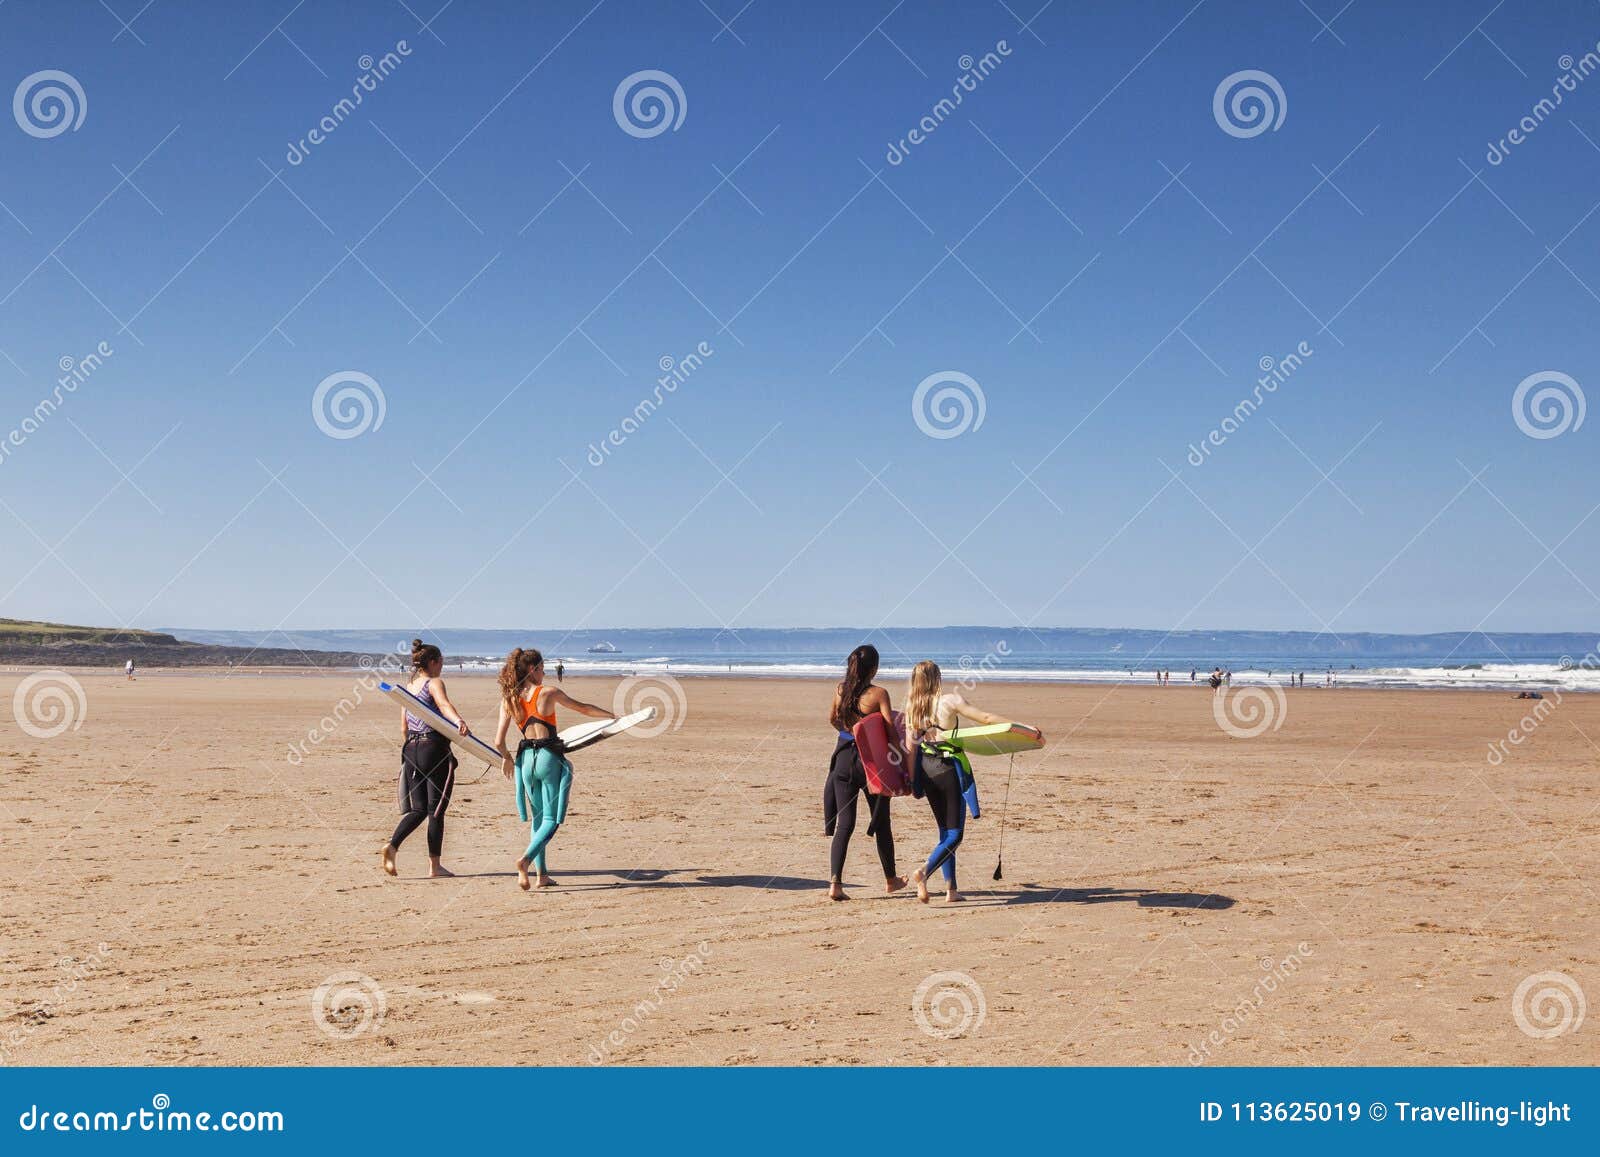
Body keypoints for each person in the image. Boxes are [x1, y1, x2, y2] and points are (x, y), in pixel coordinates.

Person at [904, 661, 1031, 904]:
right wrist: (1019, 728)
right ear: (936, 678)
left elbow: (911, 747)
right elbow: (984, 717)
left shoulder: (913, 706)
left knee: (944, 831)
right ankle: (923, 872)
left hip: (926, 768)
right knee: (956, 834)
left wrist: (913, 780)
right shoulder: (949, 701)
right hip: (948, 769)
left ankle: (951, 890)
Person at [493, 647, 613, 890]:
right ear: (532, 669)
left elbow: (498, 741)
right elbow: (583, 708)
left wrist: (506, 757)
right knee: (552, 819)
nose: (544, 672)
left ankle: (542, 876)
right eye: (542, 668)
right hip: (549, 758)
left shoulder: (509, 699)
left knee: (538, 819)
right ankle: (525, 861)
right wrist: (611, 716)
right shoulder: (548, 693)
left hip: (525, 761)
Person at [382, 640, 470, 879]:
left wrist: (413, 750)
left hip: (411, 749)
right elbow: (443, 704)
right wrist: (458, 721)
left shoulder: (409, 688)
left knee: (418, 809)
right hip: (434, 750)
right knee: (436, 811)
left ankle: (392, 847)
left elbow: (403, 726)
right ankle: (435, 867)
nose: (441, 667)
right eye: (440, 662)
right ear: (432, 662)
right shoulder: (434, 682)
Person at [824, 644, 906, 901]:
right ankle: (891, 880)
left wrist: (850, 729)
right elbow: (890, 728)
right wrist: (897, 752)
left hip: (844, 759)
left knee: (845, 824)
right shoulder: (880, 693)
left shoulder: (840, 689)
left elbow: (833, 718)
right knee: (881, 820)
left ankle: (835, 884)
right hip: (871, 763)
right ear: (874, 668)